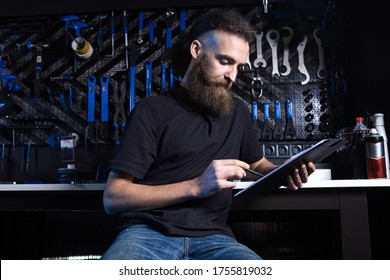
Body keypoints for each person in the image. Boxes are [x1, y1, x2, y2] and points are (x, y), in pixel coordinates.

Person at [101, 8, 315, 260]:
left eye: (238, 66)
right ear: (196, 50)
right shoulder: (151, 110)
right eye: (224, 61)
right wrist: (196, 186)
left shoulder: (238, 113)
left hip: (215, 239)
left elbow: (257, 164)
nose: (232, 76)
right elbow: (113, 197)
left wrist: (284, 169)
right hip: (147, 235)